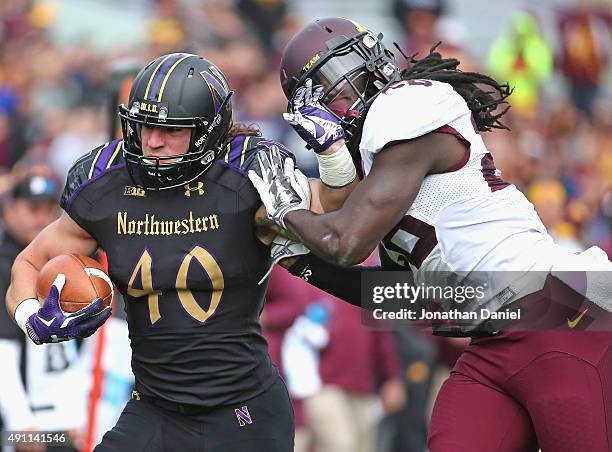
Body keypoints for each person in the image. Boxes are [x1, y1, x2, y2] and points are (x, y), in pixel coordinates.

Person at [247, 17, 612, 452]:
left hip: (561, 316)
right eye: (321, 95)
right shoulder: (381, 166)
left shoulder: (409, 109)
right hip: (493, 337)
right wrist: (297, 261)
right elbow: (396, 296)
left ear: (372, 61)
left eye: (340, 76)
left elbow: (345, 243)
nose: (338, 98)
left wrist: (285, 214)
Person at [5, 53, 304, 451]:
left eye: (171, 130)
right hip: (155, 409)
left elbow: (339, 231)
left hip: (242, 411)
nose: (152, 141)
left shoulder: (245, 177)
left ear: (207, 132)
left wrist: (335, 158)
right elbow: (29, 261)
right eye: (143, 126)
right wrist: (31, 318)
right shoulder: (106, 185)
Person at [0, 166, 90, 451]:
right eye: (32, 208)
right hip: (26, 424)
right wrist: (20, 420)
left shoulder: (68, 262)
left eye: (48, 209)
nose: (41, 218)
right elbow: (2, 351)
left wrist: (81, 412)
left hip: (69, 419)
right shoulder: (4, 266)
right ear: (10, 209)